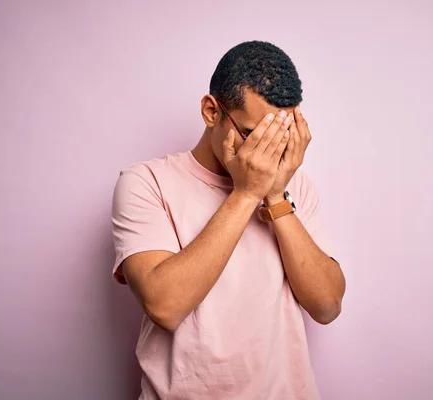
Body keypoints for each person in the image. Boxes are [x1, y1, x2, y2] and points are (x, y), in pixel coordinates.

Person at [111, 40, 346, 400]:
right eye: (255, 135)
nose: (270, 153)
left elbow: (327, 306)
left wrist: (275, 196)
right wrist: (247, 193)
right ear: (211, 111)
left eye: (282, 137)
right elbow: (165, 306)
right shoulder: (146, 182)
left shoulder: (294, 185)